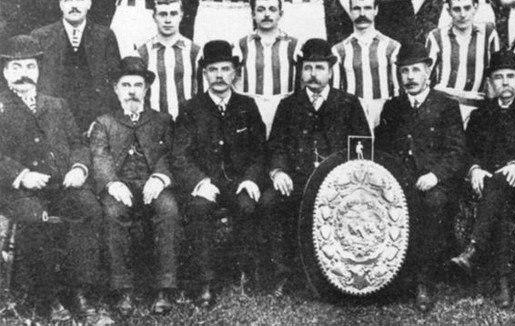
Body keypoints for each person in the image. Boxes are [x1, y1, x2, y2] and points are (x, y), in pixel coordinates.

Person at [0, 35, 102, 322]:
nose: (23, 74)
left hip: (60, 183)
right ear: (6, 72)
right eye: (16, 67)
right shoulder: (1, 107)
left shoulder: (56, 105)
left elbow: (79, 143)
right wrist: (21, 175)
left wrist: (79, 168)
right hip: (15, 189)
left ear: (38, 70)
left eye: (30, 67)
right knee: (36, 218)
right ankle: (46, 297)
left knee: (89, 209)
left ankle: (78, 291)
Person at [264, 38, 369, 294]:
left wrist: (350, 179)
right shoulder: (288, 105)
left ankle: (341, 272)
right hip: (297, 178)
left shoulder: (348, 103)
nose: (313, 74)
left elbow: (362, 146)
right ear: (301, 71)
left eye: (320, 68)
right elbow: (275, 144)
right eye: (308, 68)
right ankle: (283, 273)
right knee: (270, 201)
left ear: (331, 71)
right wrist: (278, 172)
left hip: (338, 180)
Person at [450, 50, 515, 308]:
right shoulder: (480, 116)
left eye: (510, 76)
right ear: (491, 83)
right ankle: (505, 284)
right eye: (498, 77)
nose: (505, 82)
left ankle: (476, 249)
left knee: (499, 190)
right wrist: (473, 169)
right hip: (491, 185)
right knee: (499, 202)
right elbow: (467, 151)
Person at [171, 40, 267, 306]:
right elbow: (179, 155)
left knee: (247, 206)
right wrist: (199, 182)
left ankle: (245, 274)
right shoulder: (191, 108)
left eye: (226, 69)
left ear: (235, 72)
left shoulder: (247, 106)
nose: (220, 76)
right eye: (213, 70)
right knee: (199, 209)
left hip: (238, 182)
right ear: (205, 74)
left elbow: (260, 152)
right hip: (207, 183)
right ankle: (205, 282)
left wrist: (250, 179)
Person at [375, 43, 466, 312]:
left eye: (416, 70)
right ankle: (391, 277)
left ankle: (424, 282)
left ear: (429, 71)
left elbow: (456, 151)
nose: (410, 77)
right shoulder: (393, 107)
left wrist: (436, 175)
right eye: (405, 71)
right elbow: (382, 149)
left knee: (431, 203)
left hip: (436, 183)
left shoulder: (446, 105)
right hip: (400, 181)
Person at [90, 56, 178, 316]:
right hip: (120, 186)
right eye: (125, 85)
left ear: (146, 89)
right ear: (116, 89)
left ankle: (164, 288)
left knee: (168, 210)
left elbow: (171, 155)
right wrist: (111, 182)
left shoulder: (162, 120)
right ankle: (123, 289)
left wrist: (160, 177)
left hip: (154, 185)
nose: (131, 91)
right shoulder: (104, 122)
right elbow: (99, 155)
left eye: (137, 85)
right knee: (113, 213)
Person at [31, 0, 121, 133]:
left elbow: (114, 79)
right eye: (68, 0)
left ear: (89, 4)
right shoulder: (42, 36)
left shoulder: (104, 36)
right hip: (54, 117)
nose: (74, 5)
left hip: (95, 116)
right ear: (60, 5)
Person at [425, 0, 502, 126]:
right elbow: (426, 76)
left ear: (475, 8)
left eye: (467, 8)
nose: (463, 14)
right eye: (457, 9)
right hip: (444, 103)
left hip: (477, 105)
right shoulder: (436, 36)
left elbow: (497, 71)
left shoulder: (488, 33)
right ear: (448, 11)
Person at [234, 0, 301, 137]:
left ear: (280, 14)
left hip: (284, 109)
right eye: (260, 10)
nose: (266, 14)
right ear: (252, 14)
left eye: (272, 9)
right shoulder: (241, 44)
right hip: (251, 109)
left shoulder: (294, 44)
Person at [332, 0, 400, 130]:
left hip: (385, 113)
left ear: (376, 10)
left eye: (368, 8)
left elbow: (398, 90)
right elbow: (336, 91)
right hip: (352, 114)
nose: (362, 14)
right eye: (356, 8)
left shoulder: (391, 46)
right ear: (350, 11)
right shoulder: (339, 50)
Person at [136, 0, 200, 120]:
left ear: (181, 16)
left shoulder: (194, 51)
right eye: (162, 14)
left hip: (187, 123)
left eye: (173, 14)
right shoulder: (142, 53)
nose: (168, 20)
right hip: (154, 125)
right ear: (154, 17)